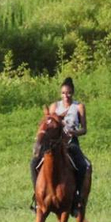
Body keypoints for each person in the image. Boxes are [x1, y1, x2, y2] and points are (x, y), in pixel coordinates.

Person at [32, 76, 90, 208]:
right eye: (63, 93)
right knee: (34, 163)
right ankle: (38, 196)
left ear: (73, 93)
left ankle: (77, 197)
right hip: (54, 143)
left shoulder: (79, 107)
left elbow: (84, 129)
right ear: (60, 93)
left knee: (82, 165)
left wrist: (73, 132)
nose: (66, 96)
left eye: (69, 93)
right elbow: (48, 123)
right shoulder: (54, 106)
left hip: (70, 142)